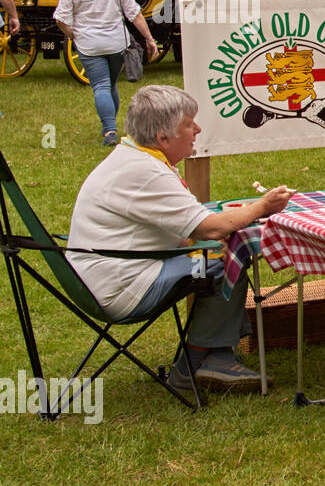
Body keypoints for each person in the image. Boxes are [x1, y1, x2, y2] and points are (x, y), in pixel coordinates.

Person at [68, 86, 293, 391]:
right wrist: (262, 207)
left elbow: (181, 229)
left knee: (214, 251)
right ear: (163, 138)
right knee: (225, 257)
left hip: (102, 276)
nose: (197, 129)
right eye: (189, 124)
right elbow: (209, 228)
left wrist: (202, 241)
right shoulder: (145, 171)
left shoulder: (132, 157)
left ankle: (215, 356)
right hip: (119, 286)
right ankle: (197, 362)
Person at [53, 0, 158, 146]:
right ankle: (108, 126)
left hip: (88, 44)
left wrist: (72, 35)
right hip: (116, 43)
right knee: (110, 85)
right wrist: (149, 39)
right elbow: (134, 13)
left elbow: (60, 19)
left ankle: (109, 130)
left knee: (101, 86)